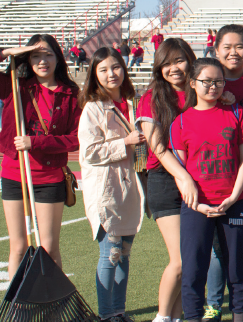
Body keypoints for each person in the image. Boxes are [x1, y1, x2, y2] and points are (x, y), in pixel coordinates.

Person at [0, 34, 81, 279]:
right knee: (18, 247)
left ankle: (53, 307)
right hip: (14, 173)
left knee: (48, 248)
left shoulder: (71, 93)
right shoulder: (14, 86)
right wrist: (7, 52)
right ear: (27, 60)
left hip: (49, 177)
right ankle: (18, 309)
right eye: (35, 56)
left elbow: (77, 138)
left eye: (48, 54)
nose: (42, 61)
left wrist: (36, 142)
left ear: (58, 58)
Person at [170, 57, 243, 322]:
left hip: (236, 202)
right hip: (197, 207)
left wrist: (233, 197)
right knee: (194, 269)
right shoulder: (181, 122)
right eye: (207, 81)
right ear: (192, 83)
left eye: (218, 81)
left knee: (238, 266)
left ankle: (240, 316)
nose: (213, 86)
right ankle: (194, 317)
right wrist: (196, 204)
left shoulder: (236, 113)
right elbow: (180, 171)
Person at [199, 24, 243, 321]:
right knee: (215, 250)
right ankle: (213, 303)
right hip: (213, 178)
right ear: (216, 49)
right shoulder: (207, 83)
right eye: (227, 46)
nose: (233, 52)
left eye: (240, 46)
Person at [77, 47, 144, 322]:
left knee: (124, 254)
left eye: (115, 67)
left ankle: (119, 311)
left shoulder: (134, 101)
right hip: (107, 190)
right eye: (103, 69)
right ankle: (106, 315)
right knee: (111, 253)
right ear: (94, 74)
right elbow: (89, 152)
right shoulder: (93, 108)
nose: (111, 74)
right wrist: (125, 143)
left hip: (129, 188)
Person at [136, 37, 199, 322]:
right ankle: (161, 317)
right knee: (182, 259)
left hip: (198, 179)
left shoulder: (200, 91)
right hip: (165, 180)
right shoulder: (151, 99)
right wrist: (183, 176)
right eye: (166, 63)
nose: (173, 68)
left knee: (193, 260)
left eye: (179, 60)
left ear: (191, 59)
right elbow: (158, 148)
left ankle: (175, 317)